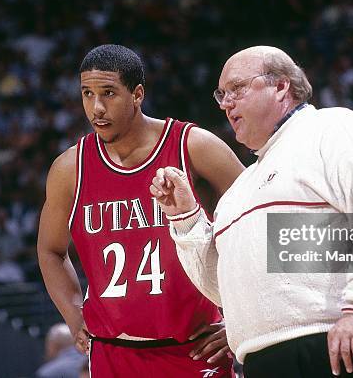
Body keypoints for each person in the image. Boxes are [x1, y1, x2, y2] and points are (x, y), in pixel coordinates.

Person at [150, 45, 353, 377]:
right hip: (265, 360)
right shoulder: (240, 189)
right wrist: (187, 218)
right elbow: (223, 290)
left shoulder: (335, 128)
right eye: (221, 95)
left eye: (237, 89)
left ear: (282, 86)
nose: (226, 104)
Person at [37, 44, 244, 377]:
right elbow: (50, 251)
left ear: (137, 94)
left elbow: (258, 220)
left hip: (193, 348)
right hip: (111, 352)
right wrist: (75, 316)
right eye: (87, 94)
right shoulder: (69, 168)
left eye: (109, 93)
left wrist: (241, 317)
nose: (97, 107)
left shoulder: (193, 145)